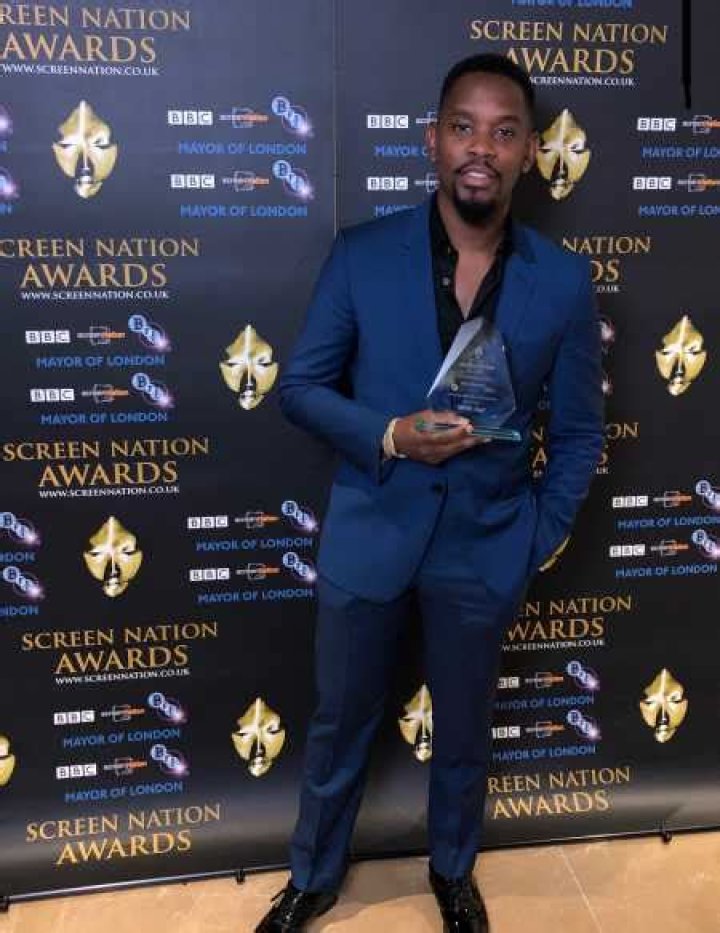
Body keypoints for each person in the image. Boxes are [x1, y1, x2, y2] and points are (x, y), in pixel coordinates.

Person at [256, 53, 604, 933]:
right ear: (432, 142)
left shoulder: (563, 280)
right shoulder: (362, 255)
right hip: (371, 531)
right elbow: (300, 388)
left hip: (487, 546)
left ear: (530, 152)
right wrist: (389, 434)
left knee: (464, 731)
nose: (481, 147)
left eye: (504, 131)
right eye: (463, 127)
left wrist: (534, 538)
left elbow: (578, 433)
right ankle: (312, 877)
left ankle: (452, 871)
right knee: (340, 722)